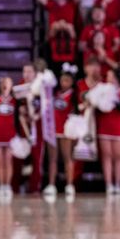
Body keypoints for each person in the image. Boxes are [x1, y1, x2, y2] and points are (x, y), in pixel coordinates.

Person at [53, 68, 78, 202]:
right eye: (62, 80)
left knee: (68, 157)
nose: (64, 83)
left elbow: (77, 112)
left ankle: (69, 184)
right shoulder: (55, 93)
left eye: (67, 80)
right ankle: (52, 185)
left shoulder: (73, 95)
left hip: (67, 131)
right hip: (54, 129)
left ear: (71, 82)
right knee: (53, 159)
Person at [0, 77, 16, 200]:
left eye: (8, 83)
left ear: (12, 86)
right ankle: (1, 185)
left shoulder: (15, 100)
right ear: (0, 85)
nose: (5, 86)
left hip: (10, 136)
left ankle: (8, 185)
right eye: (3, 83)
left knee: (8, 162)